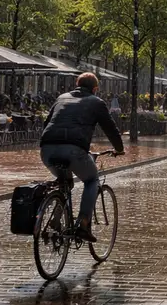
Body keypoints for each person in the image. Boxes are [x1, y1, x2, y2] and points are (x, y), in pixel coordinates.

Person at [40, 73, 125, 241]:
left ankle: (55, 221)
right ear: (95, 89)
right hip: (74, 149)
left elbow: (46, 124)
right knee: (92, 180)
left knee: (65, 182)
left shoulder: (61, 98)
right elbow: (110, 129)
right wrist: (119, 149)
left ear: (77, 84)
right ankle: (84, 224)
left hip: (47, 149)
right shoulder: (96, 102)